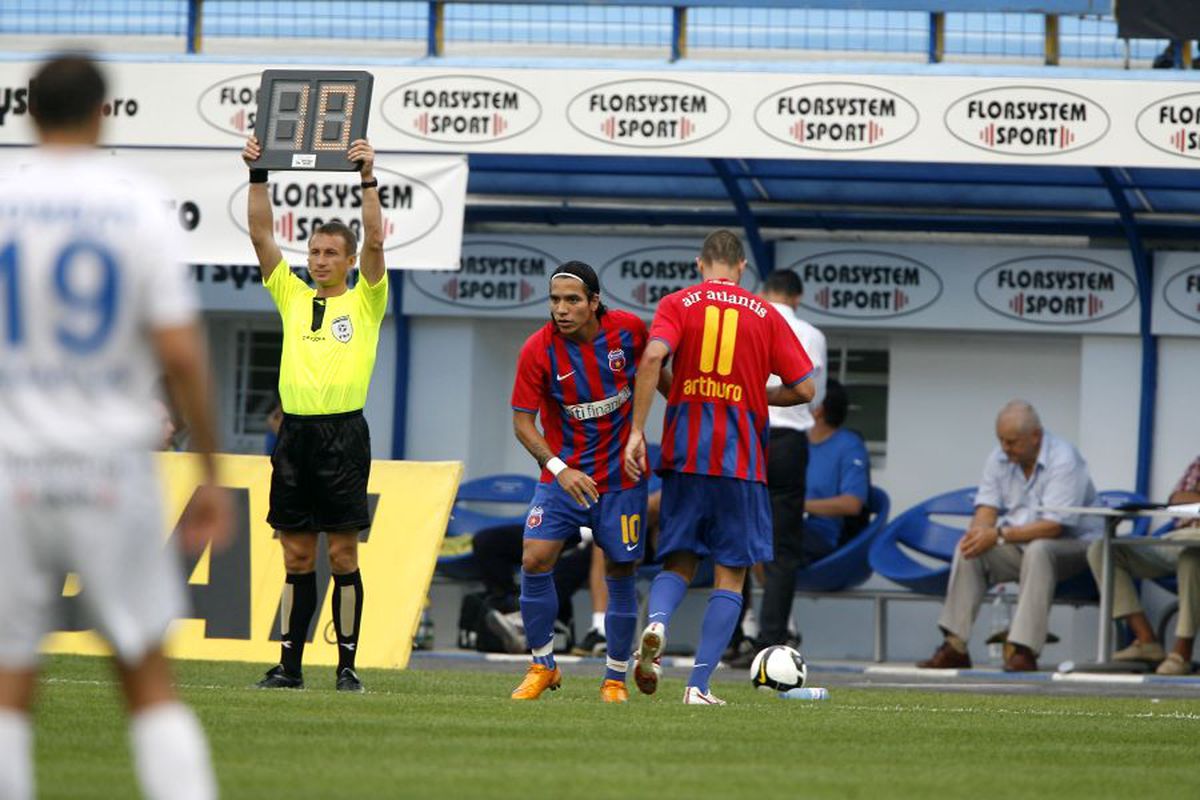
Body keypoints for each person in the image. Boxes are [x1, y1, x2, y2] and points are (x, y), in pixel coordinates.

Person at [0, 54, 230, 800]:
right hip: (109, 464)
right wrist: (211, 473)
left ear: (27, 113)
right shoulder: (136, 204)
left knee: (9, 679)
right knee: (145, 673)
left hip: (11, 466)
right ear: (104, 113)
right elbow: (178, 350)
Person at [624, 230, 815, 705]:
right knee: (732, 573)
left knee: (678, 561)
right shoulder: (767, 313)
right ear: (742, 267)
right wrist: (757, 396)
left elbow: (651, 356)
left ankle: (658, 624)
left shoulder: (678, 303)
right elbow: (806, 389)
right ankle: (698, 686)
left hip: (685, 456)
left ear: (699, 264)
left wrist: (636, 431)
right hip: (741, 462)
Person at [241, 133, 387, 693]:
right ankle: (290, 666)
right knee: (297, 556)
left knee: (343, 553)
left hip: (344, 436)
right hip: (294, 438)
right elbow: (259, 232)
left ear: (349, 260)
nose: (320, 261)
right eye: (315, 253)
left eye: (331, 254)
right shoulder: (292, 294)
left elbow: (375, 235)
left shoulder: (368, 298)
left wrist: (367, 177)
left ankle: (347, 666)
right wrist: (258, 174)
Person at [507, 260, 665, 702]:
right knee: (535, 559)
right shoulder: (537, 350)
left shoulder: (630, 331)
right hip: (563, 477)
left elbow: (660, 377)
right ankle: (543, 666)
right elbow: (523, 423)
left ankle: (614, 677)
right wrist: (560, 469)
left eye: (572, 300)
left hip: (621, 480)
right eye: (555, 300)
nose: (561, 308)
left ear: (595, 302)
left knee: (619, 570)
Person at [918, 400, 1102, 672]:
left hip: (1077, 548)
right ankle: (954, 646)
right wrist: (979, 533)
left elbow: (1054, 526)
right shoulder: (999, 457)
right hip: (1022, 542)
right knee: (970, 549)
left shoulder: (1064, 458)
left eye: (1012, 442)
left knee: (1040, 549)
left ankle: (1023, 650)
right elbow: (986, 508)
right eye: (1001, 440)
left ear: (1036, 437)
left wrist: (999, 533)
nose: (1005, 448)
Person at [727, 268, 826, 664]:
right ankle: (769, 642)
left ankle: (733, 637)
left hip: (747, 434)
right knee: (783, 550)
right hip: (788, 443)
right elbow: (812, 398)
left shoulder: (747, 319)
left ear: (764, 292)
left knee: (736, 540)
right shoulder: (812, 334)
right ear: (798, 298)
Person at [1085, 454, 1200, 675]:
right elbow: (1177, 499)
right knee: (1103, 550)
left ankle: (1181, 653)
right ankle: (1146, 640)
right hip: (1178, 538)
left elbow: (1187, 499)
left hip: (1193, 551)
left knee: (1192, 557)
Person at [803, 379, 871, 560]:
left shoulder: (849, 445)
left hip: (822, 534)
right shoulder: (796, 443)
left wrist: (794, 506)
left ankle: (771, 588)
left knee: (770, 537)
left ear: (818, 410)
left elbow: (852, 504)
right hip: (787, 523)